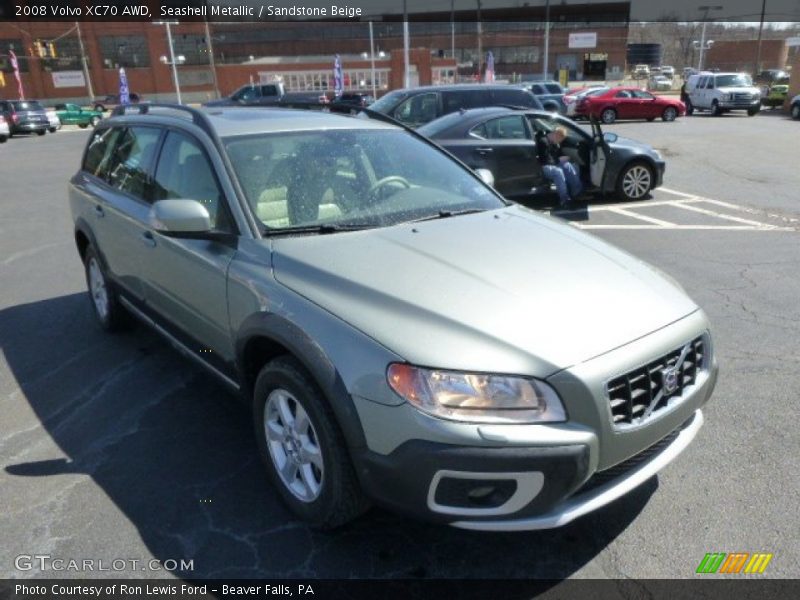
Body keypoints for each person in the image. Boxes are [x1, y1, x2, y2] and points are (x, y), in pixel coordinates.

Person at [535, 126, 583, 208]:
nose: (559, 142)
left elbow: (556, 155)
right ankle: (564, 200)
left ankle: (577, 193)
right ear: (556, 135)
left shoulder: (553, 143)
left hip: (552, 163)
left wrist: (562, 159)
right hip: (544, 166)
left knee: (568, 165)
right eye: (560, 140)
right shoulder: (543, 142)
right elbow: (545, 160)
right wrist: (558, 160)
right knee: (558, 172)